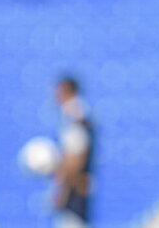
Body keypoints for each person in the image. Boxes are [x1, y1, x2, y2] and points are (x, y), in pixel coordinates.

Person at [53, 76, 93, 228]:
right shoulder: (80, 114)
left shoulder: (74, 116)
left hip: (74, 193)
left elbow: (74, 158)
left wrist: (62, 192)